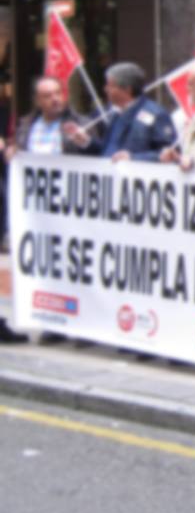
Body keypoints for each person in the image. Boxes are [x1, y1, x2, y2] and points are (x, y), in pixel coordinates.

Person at [2, 75, 88, 343]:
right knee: (40, 264)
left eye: (57, 93)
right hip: (35, 213)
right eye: (47, 95)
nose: (55, 99)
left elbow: (92, 156)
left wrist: (83, 141)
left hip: (68, 209)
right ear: (37, 100)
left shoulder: (78, 124)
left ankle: (74, 323)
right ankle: (48, 317)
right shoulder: (28, 125)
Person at [66, 62, 176, 161]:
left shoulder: (156, 114)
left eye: (111, 85)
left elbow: (170, 153)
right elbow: (109, 151)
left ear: (127, 89)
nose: (106, 89)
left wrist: (133, 158)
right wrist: (86, 142)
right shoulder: (115, 113)